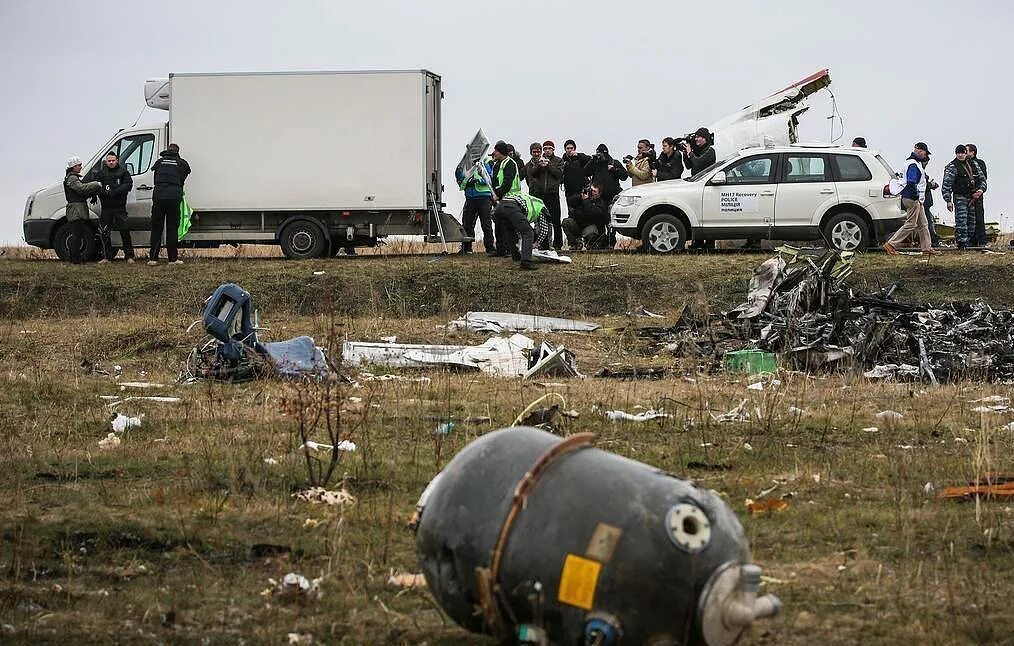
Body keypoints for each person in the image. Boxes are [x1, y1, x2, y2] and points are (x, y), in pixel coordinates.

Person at [882, 142, 939, 256]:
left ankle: (926, 248)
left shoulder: (910, 163)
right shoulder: (913, 165)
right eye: (924, 153)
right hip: (912, 198)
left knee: (923, 224)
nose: (925, 156)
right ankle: (891, 244)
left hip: (914, 198)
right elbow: (911, 182)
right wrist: (915, 196)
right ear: (919, 150)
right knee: (911, 224)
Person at [149, 143, 191, 265]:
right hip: (173, 197)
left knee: (157, 227)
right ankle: (172, 259)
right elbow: (184, 176)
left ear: (167, 151)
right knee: (172, 227)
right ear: (178, 152)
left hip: (158, 197)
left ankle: (153, 258)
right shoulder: (182, 163)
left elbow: (155, 177)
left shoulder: (160, 162)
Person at [88, 152, 134, 263]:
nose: (111, 162)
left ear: (117, 160)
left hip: (119, 207)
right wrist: (101, 193)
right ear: (106, 162)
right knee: (104, 232)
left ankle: (129, 256)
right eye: (109, 161)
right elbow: (96, 185)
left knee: (124, 231)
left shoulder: (123, 172)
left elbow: (128, 185)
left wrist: (115, 192)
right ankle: (106, 256)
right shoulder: (101, 173)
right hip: (106, 207)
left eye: (113, 160)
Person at [942, 144, 986, 249]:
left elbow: (982, 180)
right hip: (959, 197)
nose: (960, 155)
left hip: (972, 197)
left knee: (972, 223)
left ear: (966, 153)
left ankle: (968, 243)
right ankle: (962, 244)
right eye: (958, 153)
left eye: (962, 153)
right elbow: (946, 184)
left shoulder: (973, 164)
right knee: (961, 222)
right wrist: (948, 200)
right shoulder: (952, 166)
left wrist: (980, 190)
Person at [525, 141, 565, 250]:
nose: (547, 150)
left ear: (553, 149)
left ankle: (558, 244)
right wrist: (540, 165)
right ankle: (544, 244)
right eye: (545, 148)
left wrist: (548, 165)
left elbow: (559, 175)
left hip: (553, 193)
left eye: (549, 148)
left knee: (556, 220)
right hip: (541, 195)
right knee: (542, 220)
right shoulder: (539, 160)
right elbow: (532, 174)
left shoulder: (558, 161)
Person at [682, 128, 718, 250]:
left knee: (708, 214)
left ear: (705, 138)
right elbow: (689, 166)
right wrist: (685, 154)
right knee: (696, 213)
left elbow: (698, 163)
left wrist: (690, 153)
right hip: (697, 186)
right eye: (695, 137)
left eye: (699, 137)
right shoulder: (697, 151)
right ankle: (697, 242)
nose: (696, 139)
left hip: (708, 187)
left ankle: (709, 244)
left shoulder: (710, 151)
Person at [63, 155, 102, 264]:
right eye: (79, 165)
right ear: (73, 166)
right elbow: (81, 189)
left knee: (77, 234)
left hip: (76, 210)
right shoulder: (72, 178)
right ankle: (75, 259)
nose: (81, 167)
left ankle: (74, 258)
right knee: (77, 235)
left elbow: (81, 193)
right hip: (76, 210)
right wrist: (96, 184)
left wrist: (92, 194)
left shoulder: (71, 178)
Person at [494, 192, 547, 270]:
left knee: (510, 231)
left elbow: (518, 228)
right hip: (511, 206)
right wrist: (536, 243)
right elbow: (544, 229)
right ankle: (526, 263)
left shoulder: (532, 202)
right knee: (528, 232)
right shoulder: (542, 208)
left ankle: (516, 256)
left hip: (499, 207)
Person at [454, 154, 495, 254]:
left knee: (486, 224)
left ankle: (490, 248)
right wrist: (464, 179)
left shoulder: (485, 161)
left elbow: (490, 177)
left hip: (484, 197)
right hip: (470, 197)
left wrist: (478, 181)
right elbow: (459, 176)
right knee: (467, 224)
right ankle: (467, 248)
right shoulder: (465, 163)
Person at [490, 140, 522, 257]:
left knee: (509, 225)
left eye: (496, 151)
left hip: (511, 199)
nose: (494, 153)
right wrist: (494, 195)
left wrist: (498, 194)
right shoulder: (497, 164)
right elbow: (495, 181)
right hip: (500, 198)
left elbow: (507, 182)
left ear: (501, 152)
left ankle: (511, 249)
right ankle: (500, 249)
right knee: (498, 223)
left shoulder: (510, 164)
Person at [562, 183, 609, 250]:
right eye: (591, 190)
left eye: (594, 191)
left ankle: (589, 244)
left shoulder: (601, 203)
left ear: (599, 193)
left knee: (591, 235)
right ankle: (575, 243)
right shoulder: (583, 198)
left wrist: (586, 201)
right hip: (578, 225)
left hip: (590, 226)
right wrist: (580, 196)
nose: (592, 192)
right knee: (566, 222)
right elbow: (570, 202)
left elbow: (591, 213)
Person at [965, 143, 988, 246]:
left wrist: (979, 191)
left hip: (977, 194)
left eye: (967, 151)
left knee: (979, 218)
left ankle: (981, 242)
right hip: (966, 195)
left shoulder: (979, 163)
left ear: (972, 152)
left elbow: (983, 178)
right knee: (968, 219)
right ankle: (971, 242)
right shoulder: (964, 163)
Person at [561, 139, 591, 216]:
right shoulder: (563, 160)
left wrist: (578, 155)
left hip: (582, 189)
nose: (570, 150)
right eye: (568, 148)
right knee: (571, 212)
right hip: (570, 191)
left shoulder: (580, 157)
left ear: (574, 148)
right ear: (565, 149)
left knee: (584, 210)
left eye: (571, 148)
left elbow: (590, 160)